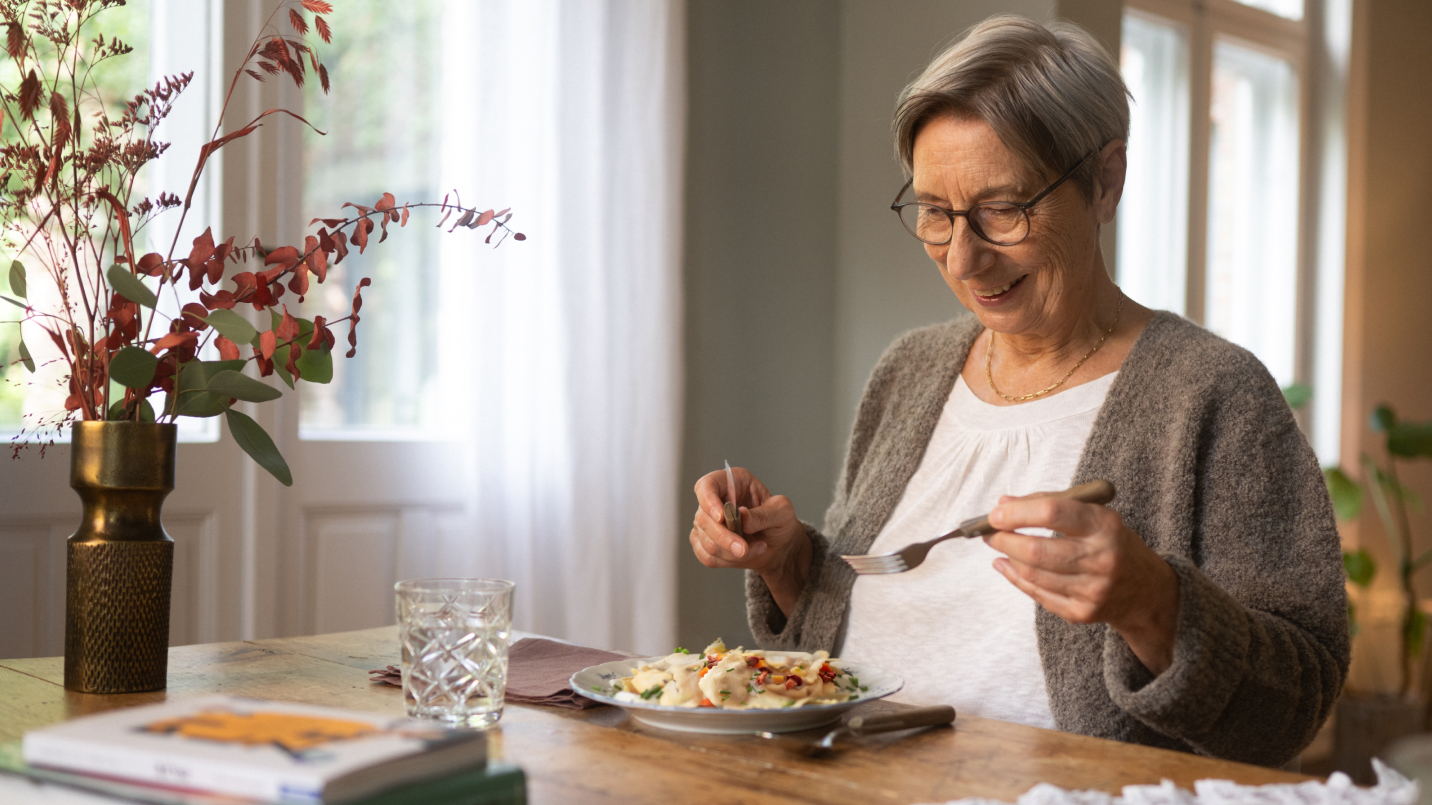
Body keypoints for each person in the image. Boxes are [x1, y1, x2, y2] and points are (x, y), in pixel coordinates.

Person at [687, 15, 1347, 768]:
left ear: (1107, 181)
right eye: (935, 211)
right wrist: (789, 562)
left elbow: (1297, 703)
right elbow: (842, 638)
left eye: (1003, 209)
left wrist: (1154, 604)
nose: (963, 258)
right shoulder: (911, 369)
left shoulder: (1214, 394)